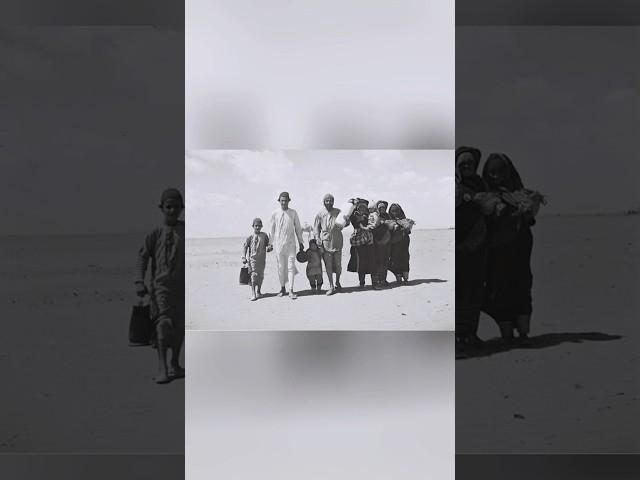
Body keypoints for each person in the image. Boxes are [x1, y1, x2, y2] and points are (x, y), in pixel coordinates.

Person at [481, 153, 544, 346]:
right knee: (498, 289)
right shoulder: (484, 196)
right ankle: (506, 334)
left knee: (522, 286)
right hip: (496, 250)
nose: (495, 176)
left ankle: (523, 333)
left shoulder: (522, 195)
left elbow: (530, 219)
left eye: (499, 171)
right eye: (491, 172)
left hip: (520, 248)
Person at [135, 188, 185, 384]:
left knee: (180, 329)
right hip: (160, 289)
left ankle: (174, 363)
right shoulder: (155, 233)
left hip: (181, 290)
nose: (172, 211)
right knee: (163, 325)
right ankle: (162, 366)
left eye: (176, 207)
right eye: (168, 207)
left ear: (182, 208)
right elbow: (142, 257)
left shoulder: (186, 230)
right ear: (162, 208)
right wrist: (139, 281)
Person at [455, 147, 490, 356]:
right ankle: (458, 337)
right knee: (460, 293)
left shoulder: (482, 184)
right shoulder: (454, 186)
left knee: (474, 292)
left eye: (470, 163)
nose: (467, 166)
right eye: (462, 164)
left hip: (478, 247)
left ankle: (471, 334)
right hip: (460, 247)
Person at [269, 192, 305, 299]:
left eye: (285, 200)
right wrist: (270, 244)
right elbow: (271, 230)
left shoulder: (293, 213)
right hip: (279, 245)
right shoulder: (275, 213)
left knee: (290, 267)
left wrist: (301, 242)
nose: (283, 202)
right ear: (279, 201)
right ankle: (282, 288)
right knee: (281, 268)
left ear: (289, 201)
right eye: (282, 200)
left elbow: (298, 228)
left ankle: (291, 290)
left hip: (291, 245)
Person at [314, 193, 347, 295]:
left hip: (337, 240)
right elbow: (316, 228)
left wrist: (347, 220)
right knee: (328, 265)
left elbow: (345, 223)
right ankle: (331, 285)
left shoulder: (338, 212)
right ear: (324, 202)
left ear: (333, 201)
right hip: (325, 242)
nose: (329, 202)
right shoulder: (320, 214)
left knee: (338, 265)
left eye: (331, 200)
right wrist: (317, 238)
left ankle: (338, 282)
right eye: (327, 200)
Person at [347, 199, 376, 287]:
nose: (362, 208)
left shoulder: (370, 216)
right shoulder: (355, 215)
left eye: (364, 207)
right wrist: (352, 204)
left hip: (369, 240)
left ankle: (374, 282)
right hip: (359, 241)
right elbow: (352, 218)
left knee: (371, 261)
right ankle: (362, 282)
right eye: (360, 207)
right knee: (361, 262)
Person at [242, 218, 272, 301]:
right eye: (256, 226)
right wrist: (243, 257)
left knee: (261, 276)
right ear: (253, 226)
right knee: (253, 276)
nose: (257, 227)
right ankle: (253, 293)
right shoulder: (250, 237)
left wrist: (269, 248)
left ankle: (259, 291)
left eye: (259, 226)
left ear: (262, 226)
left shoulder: (264, 235)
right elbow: (245, 247)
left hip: (262, 260)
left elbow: (269, 244)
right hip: (253, 260)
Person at [368, 200, 393, 290]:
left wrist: (387, 223)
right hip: (377, 242)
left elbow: (391, 226)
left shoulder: (387, 216)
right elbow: (373, 227)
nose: (382, 209)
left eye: (383, 207)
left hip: (387, 241)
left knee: (385, 261)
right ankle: (379, 280)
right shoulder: (375, 216)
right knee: (379, 261)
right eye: (380, 207)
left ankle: (384, 279)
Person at [388, 203, 414, 284]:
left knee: (405, 258)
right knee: (395, 259)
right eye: (393, 211)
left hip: (404, 242)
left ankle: (405, 278)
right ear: (390, 212)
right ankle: (398, 278)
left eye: (396, 211)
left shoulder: (405, 220)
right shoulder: (388, 220)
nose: (395, 213)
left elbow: (408, 231)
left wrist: (407, 225)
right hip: (394, 243)